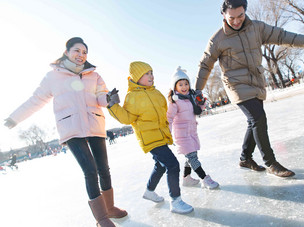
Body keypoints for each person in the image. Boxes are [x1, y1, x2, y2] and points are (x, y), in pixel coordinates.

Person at [194, 0, 304, 177]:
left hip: (256, 81)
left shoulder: (257, 28)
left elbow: (281, 35)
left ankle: (245, 158)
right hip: (235, 84)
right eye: (231, 18)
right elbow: (205, 65)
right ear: (223, 16)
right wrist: (197, 90)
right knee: (258, 118)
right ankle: (271, 163)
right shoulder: (217, 39)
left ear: (245, 11)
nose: (236, 21)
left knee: (254, 121)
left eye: (240, 16)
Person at [4, 37, 127, 227]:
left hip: (94, 124)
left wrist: (109, 98)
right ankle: (101, 218)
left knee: (104, 169)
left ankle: (110, 208)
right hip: (71, 128)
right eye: (77, 51)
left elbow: (101, 96)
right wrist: (14, 118)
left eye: (85, 52)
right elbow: (35, 100)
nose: (81, 55)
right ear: (67, 52)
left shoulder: (93, 75)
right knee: (90, 171)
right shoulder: (53, 76)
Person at [106, 61, 193, 214]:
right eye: (147, 73)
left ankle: (149, 191)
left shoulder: (156, 93)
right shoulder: (132, 96)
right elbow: (127, 118)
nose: (151, 76)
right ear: (137, 77)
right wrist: (113, 105)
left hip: (161, 135)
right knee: (172, 165)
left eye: (152, 72)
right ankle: (176, 201)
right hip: (149, 139)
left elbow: (166, 112)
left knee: (160, 165)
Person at [167, 67, 219, 189]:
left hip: (191, 132)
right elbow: (169, 118)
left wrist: (201, 102)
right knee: (192, 158)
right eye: (180, 84)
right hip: (182, 135)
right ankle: (204, 178)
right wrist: (167, 133)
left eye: (186, 84)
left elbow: (198, 111)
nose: (184, 87)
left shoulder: (191, 97)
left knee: (190, 157)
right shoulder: (174, 102)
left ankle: (186, 179)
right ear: (175, 87)